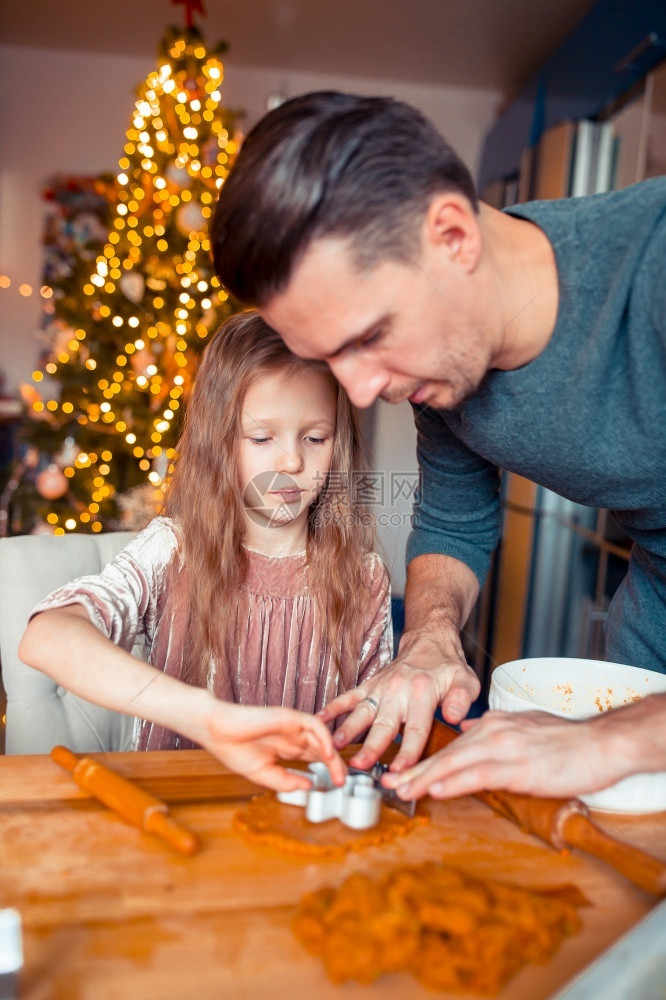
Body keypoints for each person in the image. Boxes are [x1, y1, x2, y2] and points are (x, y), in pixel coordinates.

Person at [209, 90, 666, 802]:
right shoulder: (446, 376)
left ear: (452, 235)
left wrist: (611, 739)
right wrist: (430, 634)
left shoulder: (654, 267)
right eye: (334, 361)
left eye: (367, 337)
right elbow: (455, 522)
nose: (360, 393)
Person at [19, 311, 393, 791]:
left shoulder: (364, 577)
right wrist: (205, 717)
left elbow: (371, 734)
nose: (293, 461)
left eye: (316, 438)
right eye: (261, 437)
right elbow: (45, 637)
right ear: (220, 443)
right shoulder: (173, 551)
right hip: (180, 813)